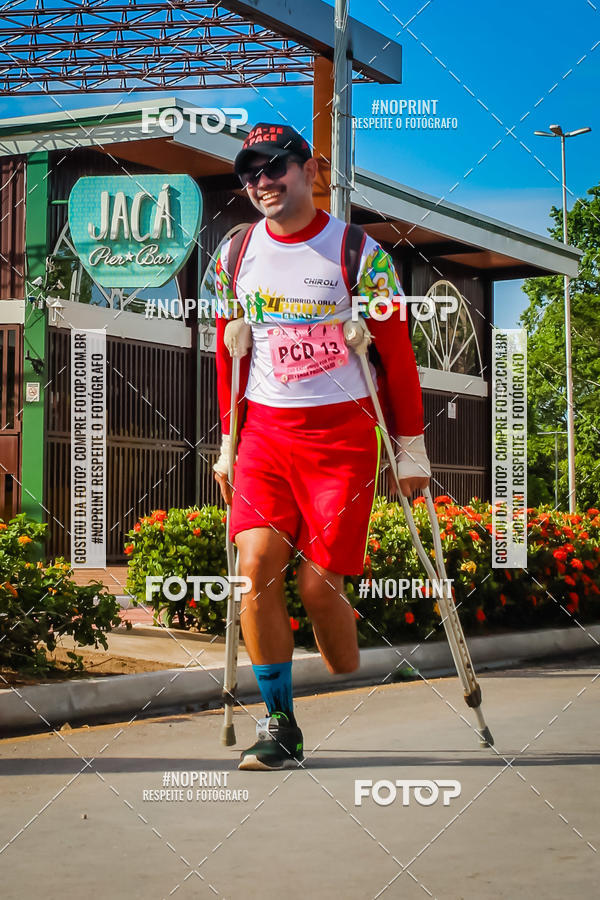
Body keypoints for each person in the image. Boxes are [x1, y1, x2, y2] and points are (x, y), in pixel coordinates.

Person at [213, 122, 430, 770]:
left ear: (312, 171)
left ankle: (342, 655)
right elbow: (229, 358)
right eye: (250, 172)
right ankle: (279, 722)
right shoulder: (231, 255)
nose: (262, 182)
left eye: (275, 167)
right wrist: (226, 445)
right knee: (253, 569)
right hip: (264, 438)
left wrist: (410, 449)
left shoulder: (362, 256)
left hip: (341, 440)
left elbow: (397, 358)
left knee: (316, 588)